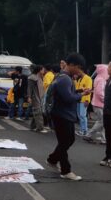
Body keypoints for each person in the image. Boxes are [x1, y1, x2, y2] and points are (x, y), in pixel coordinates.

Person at [46, 53, 91, 181]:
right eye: (78, 68)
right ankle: (65, 170)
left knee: (66, 141)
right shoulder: (65, 79)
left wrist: (80, 92)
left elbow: (67, 94)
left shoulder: (62, 77)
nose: (79, 71)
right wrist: (81, 96)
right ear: (71, 65)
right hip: (62, 115)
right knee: (66, 141)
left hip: (62, 114)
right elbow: (68, 98)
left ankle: (53, 159)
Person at [84, 64, 108, 144]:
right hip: (99, 104)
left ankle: (104, 139)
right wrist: (106, 100)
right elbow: (100, 93)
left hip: (97, 103)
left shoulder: (98, 78)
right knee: (102, 121)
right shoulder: (101, 79)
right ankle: (88, 135)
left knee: (102, 122)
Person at [27, 65, 47, 133]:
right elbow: (29, 88)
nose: (44, 71)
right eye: (42, 70)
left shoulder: (39, 77)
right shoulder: (32, 78)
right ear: (39, 70)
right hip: (35, 97)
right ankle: (40, 128)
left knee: (36, 112)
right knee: (38, 112)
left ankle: (33, 126)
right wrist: (29, 97)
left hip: (40, 97)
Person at [75, 69, 93, 136]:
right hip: (78, 99)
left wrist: (87, 100)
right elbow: (76, 89)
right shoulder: (79, 79)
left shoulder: (88, 78)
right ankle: (82, 130)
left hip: (84, 100)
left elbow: (89, 90)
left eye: (78, 71)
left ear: (82, 71)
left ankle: (84, 130)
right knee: (80, 115)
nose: (77, 73)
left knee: (82, 115)